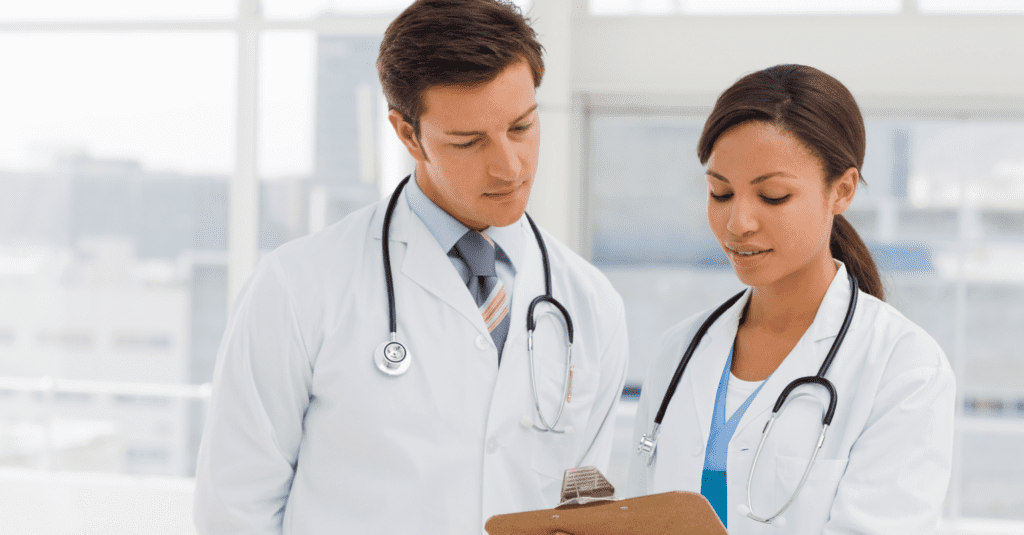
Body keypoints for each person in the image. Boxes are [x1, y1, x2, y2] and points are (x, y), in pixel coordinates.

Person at [193, 1, 629, 533]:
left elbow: (581, 504)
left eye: (522, 127)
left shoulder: (591, 303)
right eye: (468, 142)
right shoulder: (297, 287)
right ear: (407, 135)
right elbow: (235, 508)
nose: (510, 166)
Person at [625, 64, 955, 534]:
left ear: (841, 191)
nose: (738, 222)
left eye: (773, 196)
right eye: (720, 193)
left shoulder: (903, 368)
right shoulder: (678, 352)